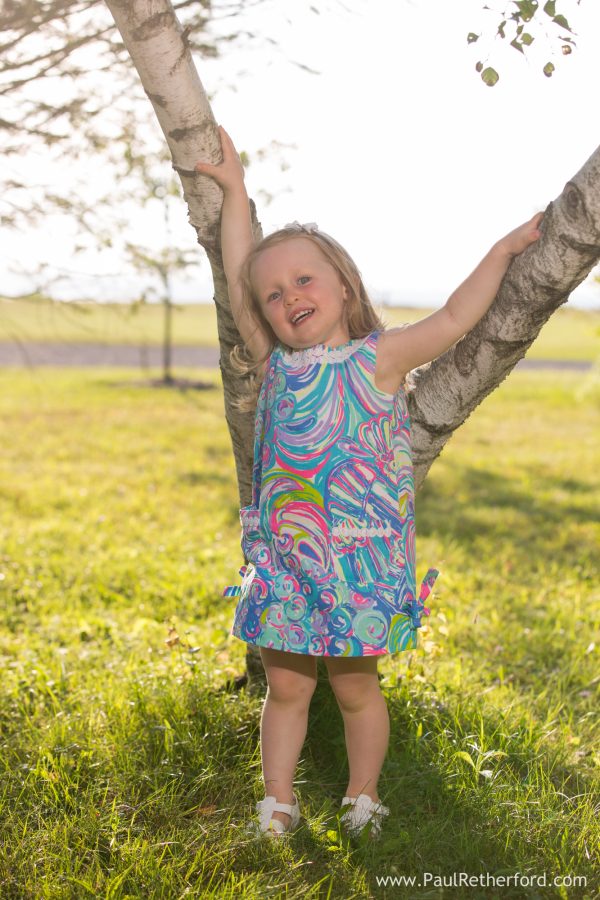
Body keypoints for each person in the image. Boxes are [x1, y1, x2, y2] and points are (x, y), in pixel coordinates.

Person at [195, 126, 543, 839]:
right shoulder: (276, 366)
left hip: (358, 560)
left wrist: (504, 250)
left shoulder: (377, 360)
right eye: (273, 295)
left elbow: (453, 316)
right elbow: (237, 276)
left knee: (356, 687)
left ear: (343, 285)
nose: (287, 297)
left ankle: (361, 796)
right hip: (289, 560)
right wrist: (235, 190)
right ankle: (278, 801)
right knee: (286, 685)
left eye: (303, 280)